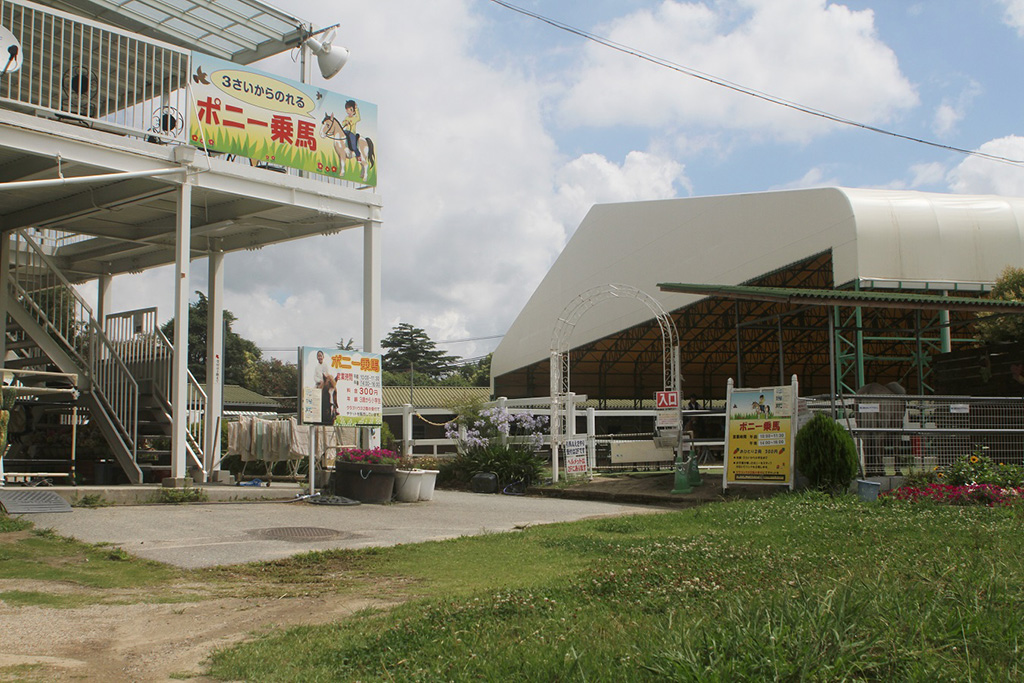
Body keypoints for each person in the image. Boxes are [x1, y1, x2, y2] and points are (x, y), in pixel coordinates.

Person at [310, 350, 337, 424]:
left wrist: (325, 380)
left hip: (325, 382)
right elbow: (315, 376)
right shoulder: (316, 367)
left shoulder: (325, 365)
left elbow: (327, 374)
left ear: (323, 357)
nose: (319, 357)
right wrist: (319, 381)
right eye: (318, 356)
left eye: (320, 355)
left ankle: (336, 408)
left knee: (333, 391)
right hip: (318, 383)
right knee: (313, 393)